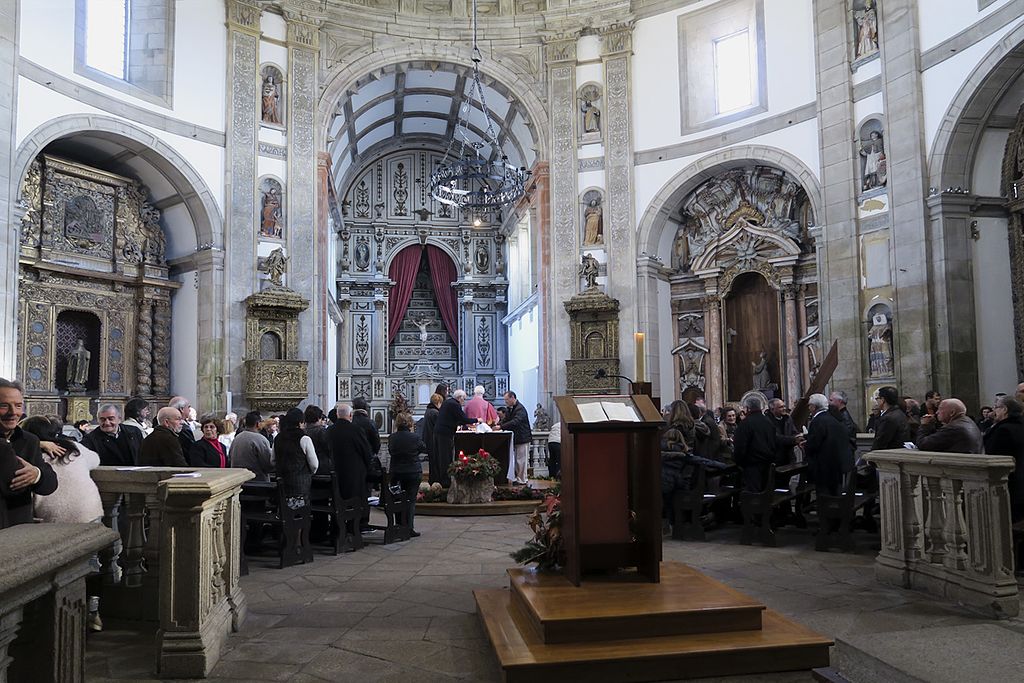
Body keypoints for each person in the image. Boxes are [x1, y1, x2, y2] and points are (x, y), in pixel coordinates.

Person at [21, 415, 104, 630]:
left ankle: (53, 618)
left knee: (50, 570)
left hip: (50, 518)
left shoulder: (27, 451)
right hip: (87, 514)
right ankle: (93, 613)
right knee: (91, 566)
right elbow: (96, 459)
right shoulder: (73, 447)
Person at [0, 378, 58, 528]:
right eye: (4, 406)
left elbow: (50, 484)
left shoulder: (30, 440)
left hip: (18, 528)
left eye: (18, 406)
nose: (13, 412)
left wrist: (37, 475)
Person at [327, 403, 373, 532]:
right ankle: (354, 529)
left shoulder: (330, 430)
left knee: (339, 501)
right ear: (350, 415)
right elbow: (365, 451)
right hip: (354, 473)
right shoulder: (356, 430)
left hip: (336, 472)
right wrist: (369, 467)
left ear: (337, 415)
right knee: (355, 502)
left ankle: (338, 528)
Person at [983, 396, 1024, 523]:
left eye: (996, 407)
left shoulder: (1003, 430)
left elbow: (993, 456)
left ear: (1005, 410)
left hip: (1010, 483)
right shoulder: (1020, 425)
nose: (993, 411)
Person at [387, 412, 427, 537]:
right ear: (410, 423)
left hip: (396, 472)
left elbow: (390, 450)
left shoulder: (392, 437)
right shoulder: (414, 437)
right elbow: (423, 448)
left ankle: (399, 525)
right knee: (410, 500)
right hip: (412, 471)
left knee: (397, 499)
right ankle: (409, 527)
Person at [804, 394, 851, 496]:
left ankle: (825, 511)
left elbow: (814, 444)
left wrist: (805, 446)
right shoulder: (833, 418)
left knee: (824, 495)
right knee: (834, 494)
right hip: (836, 464)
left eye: (809, 406)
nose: (809, 408)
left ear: (813, 406)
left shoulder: (817, 420)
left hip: (823, 467)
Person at [274, 408, 318, 507]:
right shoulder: (304, 438)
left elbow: (272, 461)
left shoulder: (278, 437)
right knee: (300, 515)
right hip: (300, 485)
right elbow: (314, 465)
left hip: (282, 483)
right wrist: (309, 473)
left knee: (284, 513)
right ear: (301, 422)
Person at [732, 396, 777, 492]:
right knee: (765, 492)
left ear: (747, 408)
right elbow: (774, 441)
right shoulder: (768, 422)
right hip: (767, 463)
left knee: (753, 496)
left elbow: (740, 446)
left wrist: (739, 462)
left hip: (752, 466)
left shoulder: (745, 424)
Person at [433, 389, 476, 487]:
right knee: (446, 457)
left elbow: (454, 418)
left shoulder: (448, 402)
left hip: (439, 433)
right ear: (459, 397)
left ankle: (442, 479)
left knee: (442, 457)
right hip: (445, 434)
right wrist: (477, 420)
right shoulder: (455, 404)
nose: (464, 401)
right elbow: (463, 419)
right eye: (464, 399)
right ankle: (446, 482)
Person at [916, 398, 983, 454]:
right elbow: (938, 438)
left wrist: (925, 425)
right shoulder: (967, 421)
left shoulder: (954, 428)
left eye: (940, 409)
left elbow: (923, 444)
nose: (937, 412)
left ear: (952, 412)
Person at [230, 411, 274, 481]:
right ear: (257, 424)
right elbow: (267, 464)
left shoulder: (237, 438)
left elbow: (230, 458)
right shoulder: (260, 439)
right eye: (262, 421)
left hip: (238, 480)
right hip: (257, 481)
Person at [501, 391, 533, 485]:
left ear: (512, 398)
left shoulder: (520, 409)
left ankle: (522, 479)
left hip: (523, 438)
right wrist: (499, 425)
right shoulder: (510, 409)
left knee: (521, 460)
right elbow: (506, 419)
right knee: (517, 460)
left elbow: (516, 421)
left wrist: (501, 427)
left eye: (506, 400)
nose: (505, 402)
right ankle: (518, 477)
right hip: (517, 438)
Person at [871, 386, 910, 451]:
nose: (876, 401)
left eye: (877, 398)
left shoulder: (888, 418)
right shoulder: (900, 413)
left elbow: (880, 443)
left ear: (883, 400)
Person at [767, 398, 803, 465]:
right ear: (772, 409)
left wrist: (799, 437)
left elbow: (794, 432)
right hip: (775, 457)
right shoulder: (767, 421)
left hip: (789, 455)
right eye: (781, 407)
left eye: (784, 406)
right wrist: (794, 440)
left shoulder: (787, 418)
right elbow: (776, 438)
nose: (784, 408)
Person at [828, 391, 860, 456]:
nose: (829, 402)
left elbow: (845, 439)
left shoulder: (844, 418)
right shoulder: (838, 415)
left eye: (831, 400)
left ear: (839, 401)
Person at [419, 393, 442, 482]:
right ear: (438, 402)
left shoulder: (428, 410)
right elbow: (439, 426)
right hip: (433, 440)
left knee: (432, 463)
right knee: (435, 463)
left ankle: (433, 480)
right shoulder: (435, 412)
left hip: (429, 439)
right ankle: (435, 481)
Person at [304, 405, 332, 474]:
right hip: (322, 466)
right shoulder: (322, 431)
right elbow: (329, 448)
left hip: (306, 467)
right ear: (318, 418)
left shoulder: (302, 432)